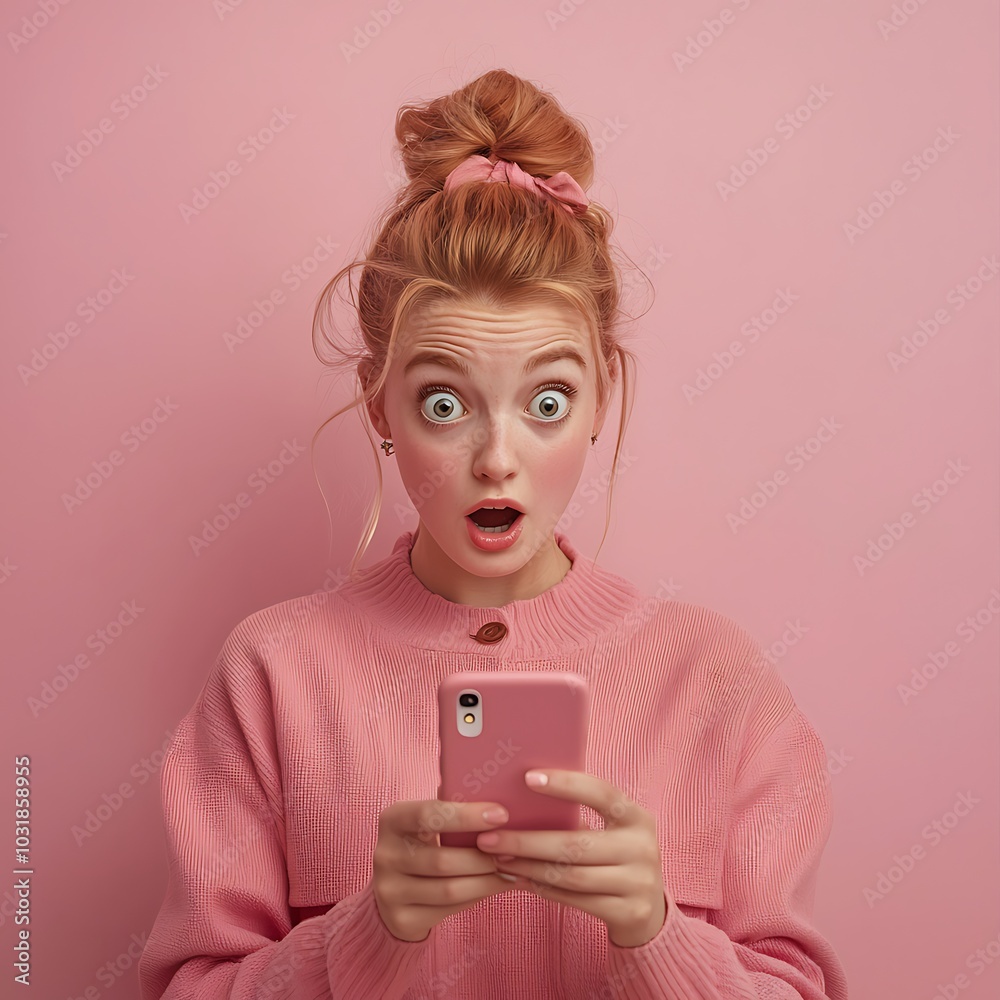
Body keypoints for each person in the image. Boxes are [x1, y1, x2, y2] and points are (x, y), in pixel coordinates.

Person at [138, 69, 850, 999]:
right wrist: (365, 931)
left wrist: (657, 936)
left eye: (548, 401)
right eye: (445, 402)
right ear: (377, 405)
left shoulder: (718, 681)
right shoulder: (271, 675)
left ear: (603, 396)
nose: (498, 459)